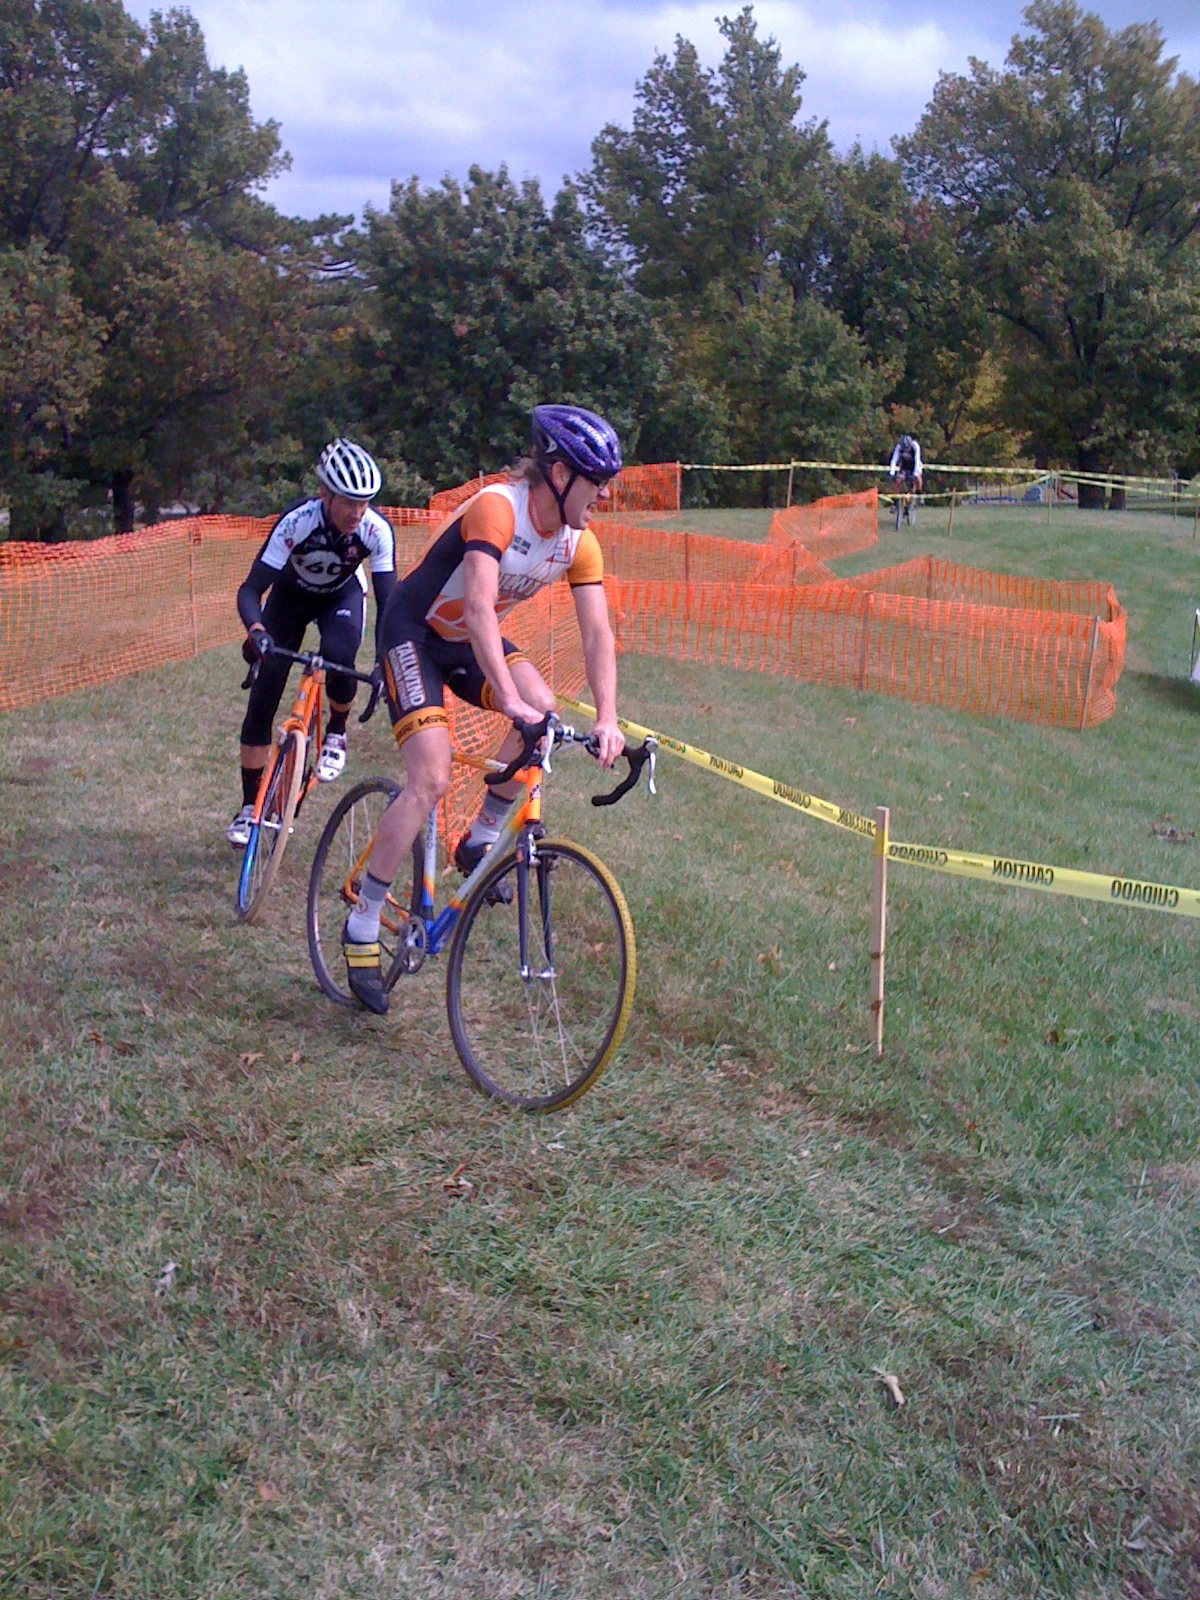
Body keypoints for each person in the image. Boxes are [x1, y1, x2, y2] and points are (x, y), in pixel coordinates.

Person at [339, 403, 625, 1014]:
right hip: (414, 634)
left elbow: (598, 631)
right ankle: (363, 922)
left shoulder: (580, 544)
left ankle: (482, 835)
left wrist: (607, 716)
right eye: (595, 481)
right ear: (557, 474)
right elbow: (476, 609)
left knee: (543, 713)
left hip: (470, 642)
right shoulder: (500, 509)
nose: (603, 494)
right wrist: (511, 700)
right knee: (432, 777)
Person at [226, 439, 396, 848]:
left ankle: (336, 730)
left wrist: (385, 660)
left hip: (341, 595)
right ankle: (250, 807)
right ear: (325, 494)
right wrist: (256, 630)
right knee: (264, 696)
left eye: (366, 502)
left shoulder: (376, 530)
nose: (358, 512)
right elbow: (251, 590)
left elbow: (391, 602)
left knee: (339, 655)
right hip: (289, 596)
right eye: (349, 502)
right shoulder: (296, 522)